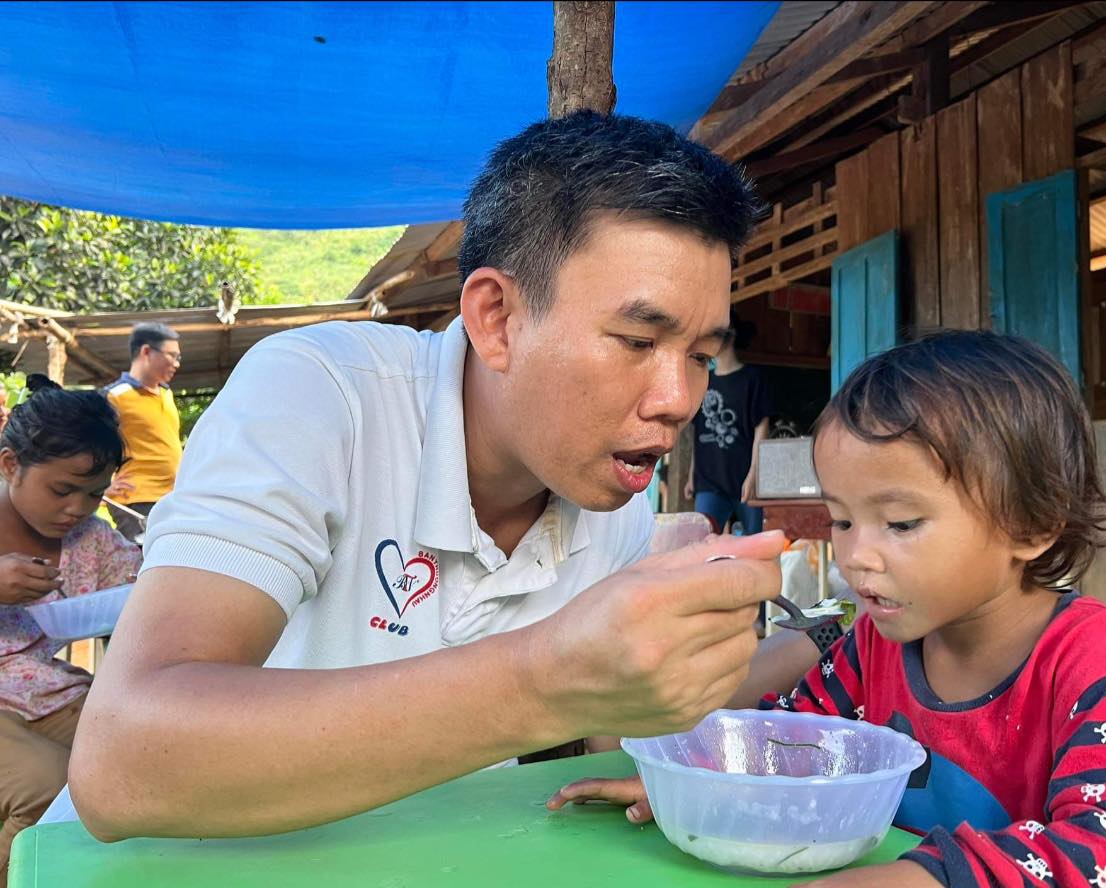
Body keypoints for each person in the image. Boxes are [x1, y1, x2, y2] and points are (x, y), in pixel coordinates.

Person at [69, 111, 822, 841]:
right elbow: (124, 763)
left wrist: (693, 695)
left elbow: (609, 740)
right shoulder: (322, 396)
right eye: (635, 339)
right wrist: (544, 677)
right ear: (497, 319)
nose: (678, 401)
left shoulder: (615, 506)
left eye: (699, 356)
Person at [548, 331, 1106, 888]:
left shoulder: (1087, 651)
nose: (856, 556)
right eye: (841, 520)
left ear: (1031, 523)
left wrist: (924, 876)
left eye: (900, 523)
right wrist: (700, 785)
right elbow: (790, 743)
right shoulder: (877, 643)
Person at [0, 376, 140, 876]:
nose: (76, 509)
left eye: (94, 494)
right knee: (47, 785)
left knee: (144, 756)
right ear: (11, 465)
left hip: (48, 693)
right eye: (62, 490)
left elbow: (148, 578)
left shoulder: (91, 541)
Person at [685, 312, 772, 535]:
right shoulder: (704, 379)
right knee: (702, 542)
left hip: (744, 477)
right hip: (708, 481)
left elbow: (762, 428)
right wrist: (691, 476)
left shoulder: (752, 379)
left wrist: (754, 475)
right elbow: (698, 431)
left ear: (730, 335)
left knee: (754, 546)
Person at [103, 322, 183, 542]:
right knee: (146, 568)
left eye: (178, 358)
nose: (176, 364)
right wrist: (102, 486)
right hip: (137, 501)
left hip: (172, 498)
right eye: (172, 356)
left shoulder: (166, 394)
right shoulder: (114, 396)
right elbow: (85, 444)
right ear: (146, 351)